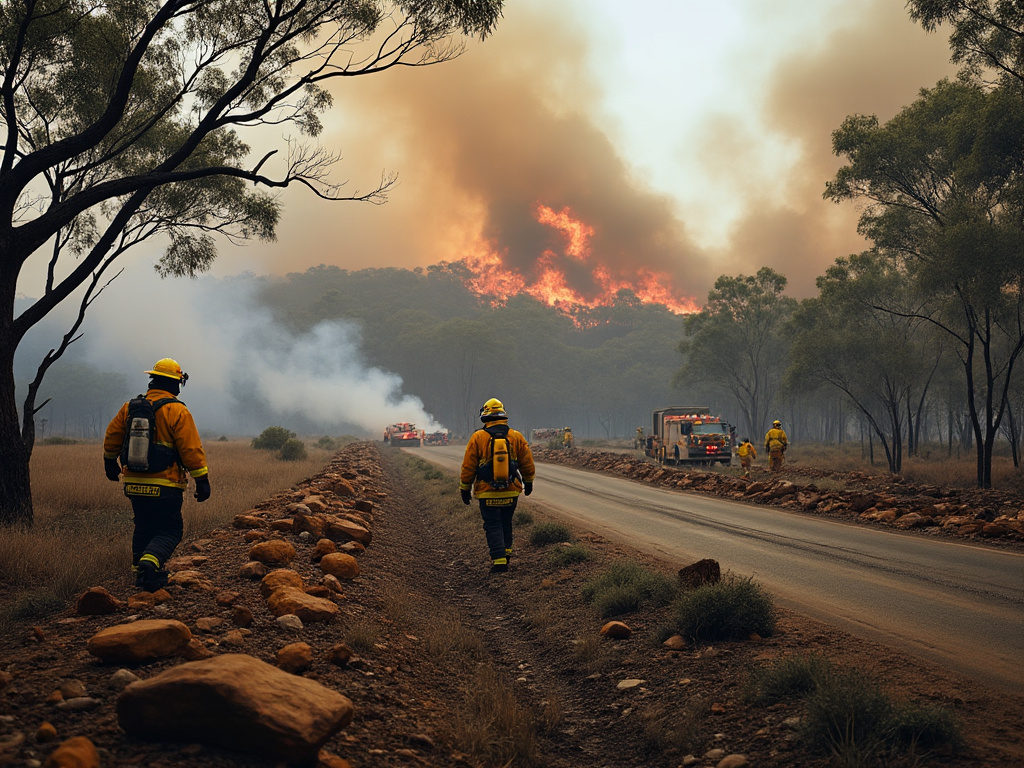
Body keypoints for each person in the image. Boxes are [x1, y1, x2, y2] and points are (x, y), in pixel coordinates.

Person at [103, 358, 210, 592]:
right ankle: (150, 567)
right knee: (170, 530)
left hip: (133, 483)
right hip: (166, 484)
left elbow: (112, 436)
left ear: (153, 381)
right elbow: (190, 448)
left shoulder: (129, 408)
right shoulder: (177, 410)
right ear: (174, 383)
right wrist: (202, 480)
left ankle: (140, 576)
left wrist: (109, 462)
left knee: (143, 526)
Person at [459, 398, 536, 574]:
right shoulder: (516, 436)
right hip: (511, 491)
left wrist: (465, 488)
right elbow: (527, 463)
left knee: (493, 525)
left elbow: (468, 466)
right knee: (506, 523)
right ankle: (506, 554)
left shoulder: (478, 437)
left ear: (486, 415)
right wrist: (529, 481)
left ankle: (499, 562)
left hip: (487, 493)